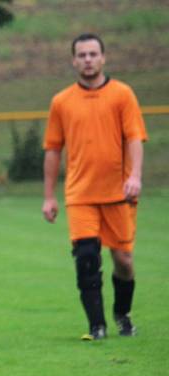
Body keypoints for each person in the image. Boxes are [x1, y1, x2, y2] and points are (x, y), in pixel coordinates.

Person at [42, 33, 147, 340]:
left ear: (103, 58)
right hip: (80, 195)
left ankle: (122, 314)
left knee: (124, 261)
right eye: (82, 55)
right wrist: (49, 196)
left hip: (119, 194)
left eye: (93, 54)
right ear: (74, 60)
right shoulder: (61, 101)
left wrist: (135, 176)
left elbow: (135, 138)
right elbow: (52, 149)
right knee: (87, 258)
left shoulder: (122, 94)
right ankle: (97, 326)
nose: (87, 60)